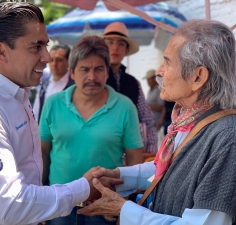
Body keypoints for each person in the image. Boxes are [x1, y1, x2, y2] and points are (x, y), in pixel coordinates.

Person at [0, 3, 122, 225]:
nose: (46, 56)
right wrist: (83, 188)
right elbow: (12, 205)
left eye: (45, 45)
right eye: (36, 47)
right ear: (1, 51)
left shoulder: (18, 96)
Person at [78, 19, 236, 225]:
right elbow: (166, 168)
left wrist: (124, 210)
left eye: (168, 62)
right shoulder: (190, 120)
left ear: (198, 77)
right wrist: (118, 175)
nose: (159, 71)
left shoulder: (226, 138)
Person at [39, 35, 144, 225]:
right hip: (59, 204)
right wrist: (40, 200)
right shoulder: (53, 104)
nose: (92, 77)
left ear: (106, 73)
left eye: (98, 69)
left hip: (105, 207)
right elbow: (42, 153)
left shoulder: (125, 107)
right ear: (72, 72)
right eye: (84, 70)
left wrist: (125, 204)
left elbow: (134, 157)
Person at [102, 22, 158, 156]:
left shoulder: (134, 82)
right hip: (101, 153)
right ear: (102, 47)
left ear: (126, 50)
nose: (115, 47)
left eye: (121, 43)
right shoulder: (94, 79)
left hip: (130, 154)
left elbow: (146, 119)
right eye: (110, 42)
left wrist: (151, 149)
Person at [33, 44, 74, 121]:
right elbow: (37, 111)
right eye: (51, 60)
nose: (54, 64)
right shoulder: (45, 84)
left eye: (59, 60)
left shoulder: (74, 86)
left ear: (68, 62)